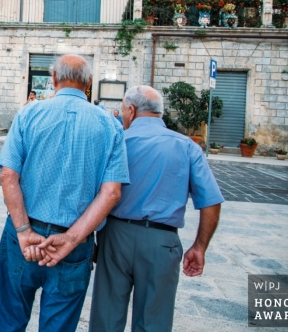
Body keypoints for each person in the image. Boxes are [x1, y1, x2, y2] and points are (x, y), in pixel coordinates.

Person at [0, 54, 129, 332]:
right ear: (88, 84)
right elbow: (111, 193)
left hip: (24, 236)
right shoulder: (110, 125)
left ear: (53, 78)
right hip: (74, 243)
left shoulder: (29, 113)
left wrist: (23, 230)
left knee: (8, 320)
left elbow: (8, 175)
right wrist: (70, 238)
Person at [89, 85, 224, 332]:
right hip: (162, 241)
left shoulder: (116, 141)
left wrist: (89, 240)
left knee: (106, 317)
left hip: (115, 238)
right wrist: (199, 246)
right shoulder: (187, 146)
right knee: (154, 321)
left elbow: (91, 194)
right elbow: (211, 201)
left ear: (131, 110)